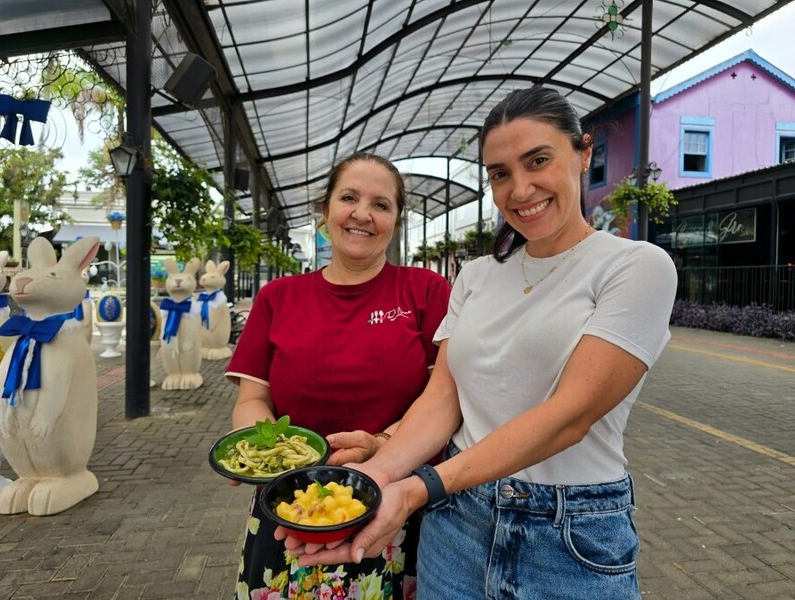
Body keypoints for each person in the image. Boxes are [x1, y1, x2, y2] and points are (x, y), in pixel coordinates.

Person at [286, 87, 678, 599]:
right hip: (456, 524)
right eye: (499, 173)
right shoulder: (475, 276)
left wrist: (420, 487)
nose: (519, 189)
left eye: (538, 160)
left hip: (569, 535)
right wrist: (374, 477)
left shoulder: (636, 266)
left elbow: (570, 415)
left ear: (583, 154)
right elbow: (443, 397)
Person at [223, 152, 452, 600]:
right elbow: (252, 400)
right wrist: (262, 449)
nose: (363, 214)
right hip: (290, 508)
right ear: (324, 210)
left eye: (381, 205)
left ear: (396, 219)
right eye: (349, 197)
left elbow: (444, 398)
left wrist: (384, 445)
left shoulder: (426, 291)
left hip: (397, 508)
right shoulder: (278, 297)